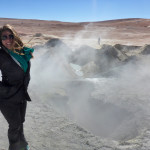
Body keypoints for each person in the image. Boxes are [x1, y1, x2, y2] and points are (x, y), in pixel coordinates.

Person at [0, 24, 34, 150]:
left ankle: (23, 144)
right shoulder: (1, 55)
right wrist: (4, 90)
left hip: (21, 95)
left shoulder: (22, 52)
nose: (8, 40)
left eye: (10, 36)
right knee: (14, 125)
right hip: (6, 98)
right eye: (4, 37)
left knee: (21, 122)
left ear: (15, 37)